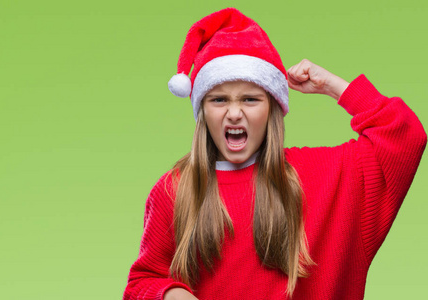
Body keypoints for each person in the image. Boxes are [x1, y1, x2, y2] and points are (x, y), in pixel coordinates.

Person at [123, 7, 427, 300]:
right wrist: (172, 294)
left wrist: (333, 87)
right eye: (218, 99)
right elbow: (141, 283)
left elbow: (406, 138)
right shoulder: (174, 191)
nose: (234, 113)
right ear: (202, 110)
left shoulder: (322, 176)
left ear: (272, 109)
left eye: (251, 99)